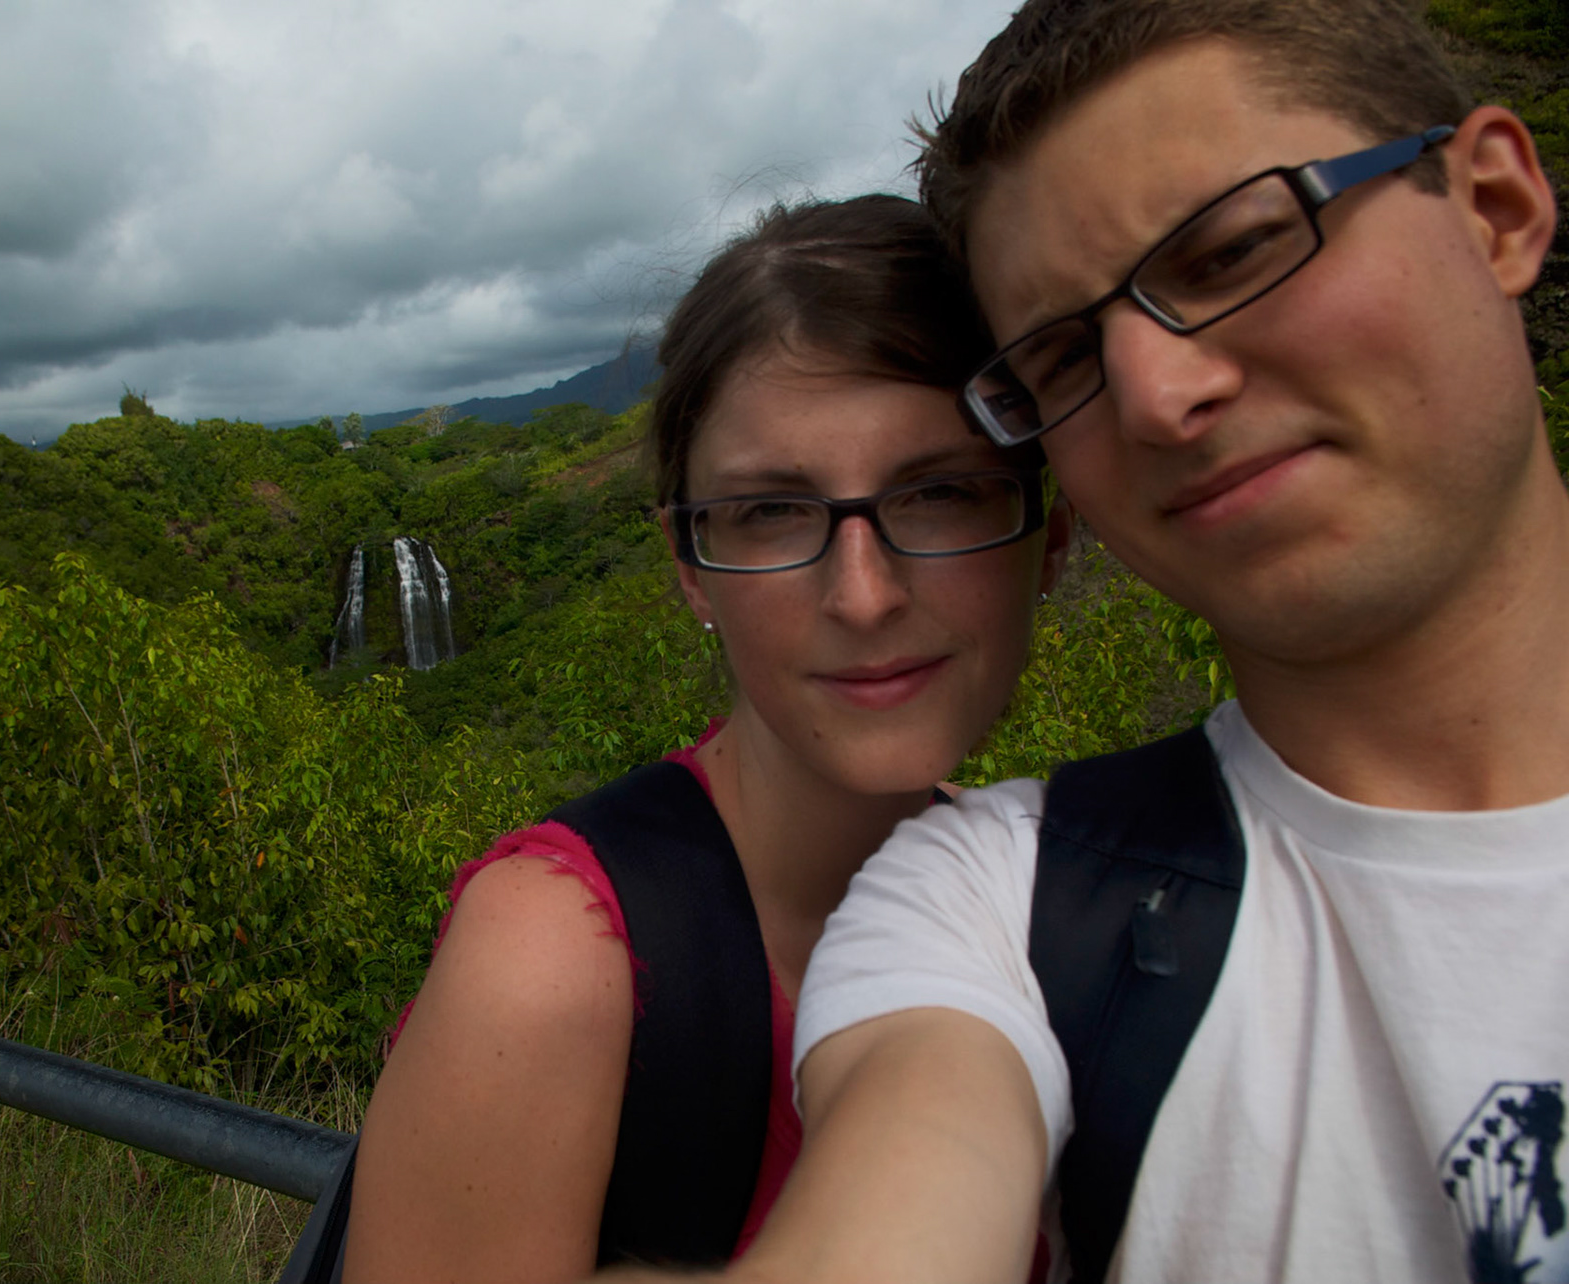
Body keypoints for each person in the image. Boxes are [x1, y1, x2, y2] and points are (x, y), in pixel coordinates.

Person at [629, 2, 1564, 1282]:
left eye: (1235, 251)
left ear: (1496, 208)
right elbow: (911, 1166)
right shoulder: (1000, 903)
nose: (1159, 395)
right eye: (1064, 355)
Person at [342, 194, 1071, 1283]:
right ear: (688, 566)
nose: (863, 596)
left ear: (1049, 534)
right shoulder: (556, 962)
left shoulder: (1071, 907)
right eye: (772, 512)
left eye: (942, 493)